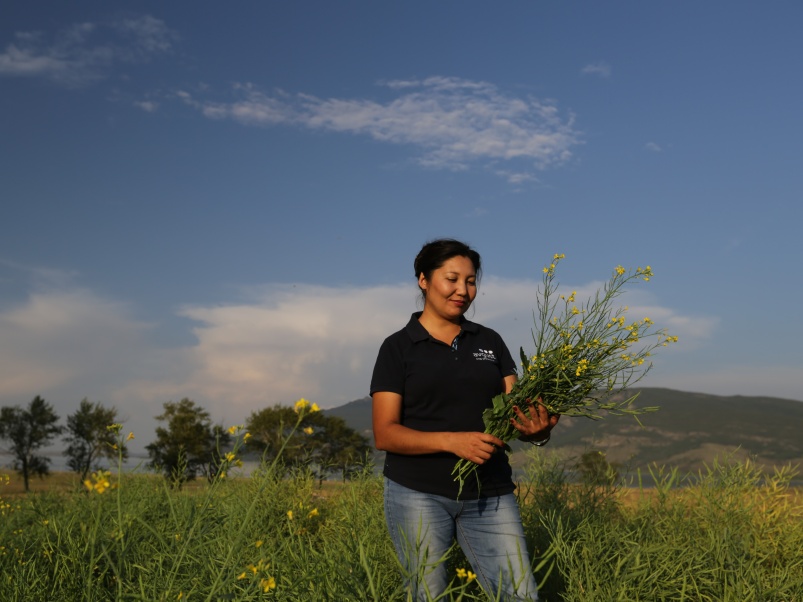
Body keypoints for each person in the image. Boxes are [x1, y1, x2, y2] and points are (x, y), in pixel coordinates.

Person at [370, 239, 560, 601]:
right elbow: (385, 433)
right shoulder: (397, 348)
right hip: (417, 493)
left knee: (519, 595)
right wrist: (452, 441)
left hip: (490, 493)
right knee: (430, 595)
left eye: (471, 281)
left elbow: (512, 414)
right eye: (452, 279)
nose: (463, 290)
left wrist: (538, 433)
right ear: (423, 280)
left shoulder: (490, 341)